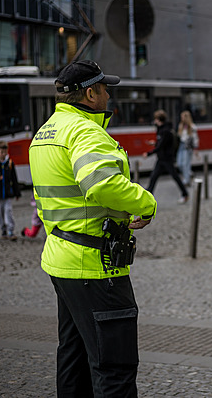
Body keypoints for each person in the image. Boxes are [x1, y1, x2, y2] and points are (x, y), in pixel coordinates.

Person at [29, 59, 157, 396]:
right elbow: (100, 183)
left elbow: (56, 201)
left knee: (73, 362)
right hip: (95, 267)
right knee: (114, 369)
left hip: (62, 261)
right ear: (90, 93)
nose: (108, 96)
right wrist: (146, 203)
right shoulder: (85, 130)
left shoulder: (45, 132)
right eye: (104, 89)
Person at [144, 109, 189, 203]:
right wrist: (155, 143)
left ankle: (185, 194)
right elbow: (161, 143)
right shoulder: (161, 130)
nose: (155, 121)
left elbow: (161, 146)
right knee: (153, 178)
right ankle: (146, 198)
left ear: (158, 119)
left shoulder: (166, 131)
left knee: (175, 176)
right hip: (161, 159)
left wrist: (148, 153)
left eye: (156, 119)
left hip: (167, 159)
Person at [176, 110, 199, 186]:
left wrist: (196, 148)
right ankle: (189, 173)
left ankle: (186, 180)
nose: (181, 119)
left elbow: (195, 138)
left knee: (186, 164)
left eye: (182, 117)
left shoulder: (192, 127)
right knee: (179, 163)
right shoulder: (181, 126)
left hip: (188, 146)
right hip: (181, 145)